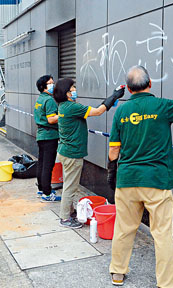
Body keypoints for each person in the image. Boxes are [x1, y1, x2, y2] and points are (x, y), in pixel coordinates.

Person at [107, 66, 173, 288]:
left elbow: (113, 152)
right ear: (150, 84)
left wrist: (113, 172)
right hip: (156, 181)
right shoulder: (163, 106)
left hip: (127, 179)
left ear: (129, 89)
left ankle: (117, 273)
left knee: (124, 228)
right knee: (162, 234)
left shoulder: (122, 111)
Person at [53, 78, 125, 228]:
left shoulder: (63, 106)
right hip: (72, 154)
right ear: (67, 93)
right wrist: (114, 96)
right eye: (72, 88)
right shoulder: (71, 107)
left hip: (66, 151)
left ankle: (70, 211)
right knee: (70, 187)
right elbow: (98, 111)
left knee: (69, 184)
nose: (74, 90)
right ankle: (65, 218)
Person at [33, 75, 61, 202]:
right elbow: (51, 119)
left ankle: (42, 188)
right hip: (49, 135)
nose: (53, 85)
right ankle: (47, 193)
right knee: (47, 166)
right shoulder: (49, 100)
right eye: (50, 83)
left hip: (41, 134)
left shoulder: (40, 99)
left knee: (42, 163)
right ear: (43, 86)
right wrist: (64, 115)